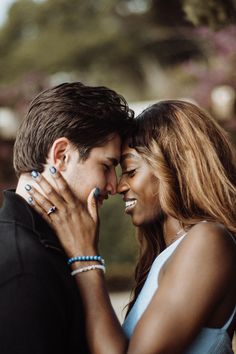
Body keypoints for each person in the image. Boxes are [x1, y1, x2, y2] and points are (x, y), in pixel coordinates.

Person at [26, 100, 236, 354]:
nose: (119, 187)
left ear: (174, 166)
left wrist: (85, 257)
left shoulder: (208, 241)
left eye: (131, 170)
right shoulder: (171, 253)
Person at [0, 81, 134, 353]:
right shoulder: (24, 266)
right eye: (107, 166)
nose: (113, 186)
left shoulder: (50, 244)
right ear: (61, 155)